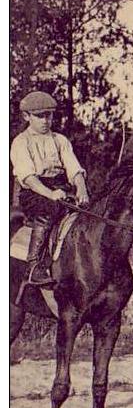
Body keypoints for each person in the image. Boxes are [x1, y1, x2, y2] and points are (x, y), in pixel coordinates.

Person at [11, 90, 90, 286]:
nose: (46, 121)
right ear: (26, 116)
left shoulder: (60, 140)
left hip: (60, 187)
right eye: (40, 116)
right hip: (35, 191)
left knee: (89, 213)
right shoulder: (21, 142)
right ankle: (33, 266)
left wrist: (82, 189)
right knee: (48, 211)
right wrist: (51, 194)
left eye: (49, 115)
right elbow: (28, 178)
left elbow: (74, 168)